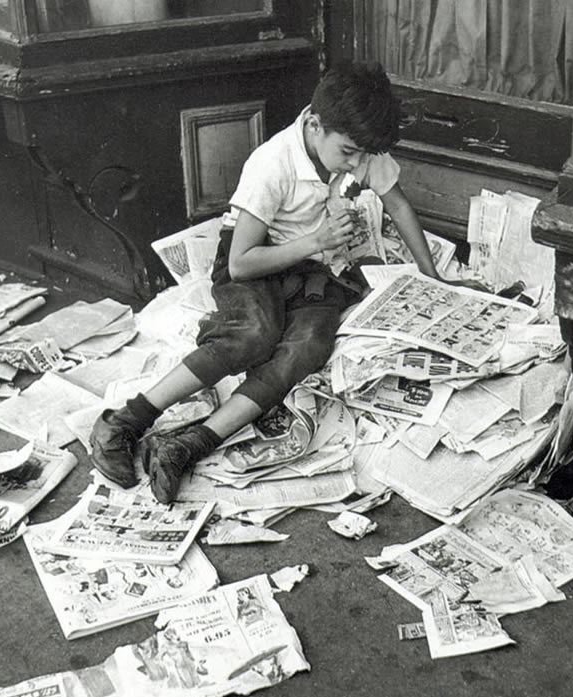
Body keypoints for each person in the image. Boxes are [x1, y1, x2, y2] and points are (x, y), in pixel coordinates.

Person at [90, 61, 442, 503]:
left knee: (309, 345)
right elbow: (241, 263)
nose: (356, 164)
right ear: (314, 125)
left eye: (361, 156)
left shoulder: (361, 148)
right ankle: (123, 421)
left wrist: (434, 277)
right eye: (348, 152)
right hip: (255, 258)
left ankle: (188, 445)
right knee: (254, 333)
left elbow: (399, 206)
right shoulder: (273, 164)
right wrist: (316, 239)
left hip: (310, 268)